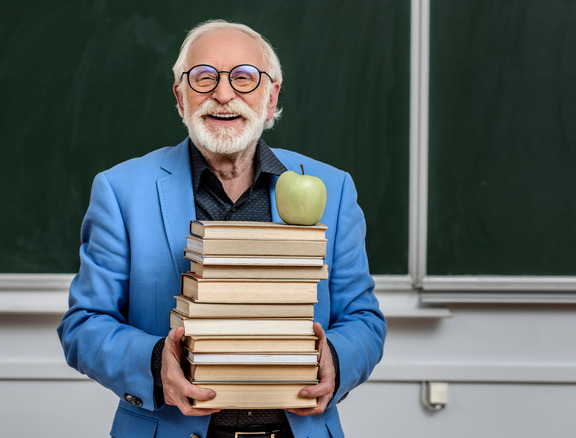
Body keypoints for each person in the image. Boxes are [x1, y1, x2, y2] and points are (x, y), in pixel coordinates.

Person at [58, 19, 386, 438]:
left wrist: (336, 359)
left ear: (271, 98)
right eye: (204, 77)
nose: (224, 93)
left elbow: (364, 318)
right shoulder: (121, 191)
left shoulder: (333, 189)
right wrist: (156, 362)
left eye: (245, 78)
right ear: (181, 97)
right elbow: (83, 324)